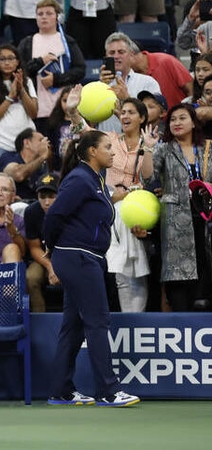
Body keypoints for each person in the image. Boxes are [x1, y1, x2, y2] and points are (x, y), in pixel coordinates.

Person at [43, 129, 140, 407]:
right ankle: (109, 391)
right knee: (98, 321)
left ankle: (60, 390)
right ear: (92, 152)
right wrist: (50, 243)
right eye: (108, 147)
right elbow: (56, 214)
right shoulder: (80, 179)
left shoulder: (94, 179)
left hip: (85, 257)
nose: (113, 151)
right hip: (78, 257)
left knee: (74, 326)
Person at [66, 85, 157, 312]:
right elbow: (84, 133)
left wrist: (148, 149)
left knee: (132, 272)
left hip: (135, 212)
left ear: (143, 118)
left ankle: (134, 320)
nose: (125, 116)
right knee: (111, 272)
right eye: (123, 112)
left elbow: (151, 179)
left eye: (131, 113)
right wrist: (73, 111)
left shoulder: (152, 142)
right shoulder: (109, 139)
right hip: (106, 209)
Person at [143, 104, 212, 311]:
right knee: (179, 281)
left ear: (193, 123)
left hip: (206, 220)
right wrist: (148, 148)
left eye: (182, 118)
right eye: (172, 119)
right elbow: (147, 178)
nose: (176, 123)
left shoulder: (208, 149)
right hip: (175, 223)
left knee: (205, 270)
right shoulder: (164, 149)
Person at [17, 0, 86, 134]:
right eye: (40, 14)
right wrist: (40, 62)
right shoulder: (27, 43)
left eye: (49, 13)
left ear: (57, 17)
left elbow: (80, 69)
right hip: (38, 109)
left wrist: (55, 80)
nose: (44, 17)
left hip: (64, 110)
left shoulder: (68, 41)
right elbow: (21, 70)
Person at [0, 44, 38, 172]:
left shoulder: (27, 82)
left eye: (11, 58)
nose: (7, 62)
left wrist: (21, 89)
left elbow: (33, 113)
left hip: (26, 143)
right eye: (2, 59)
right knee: (0, 182)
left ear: (18, 61)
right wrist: (10, 96)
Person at [97, 32, 161, 133]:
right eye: (112, 53)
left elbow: (154, 115)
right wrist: (100, 87)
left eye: (121, 52)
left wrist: (127, 99)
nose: (116, 56)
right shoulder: (98, 86)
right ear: (106, 56)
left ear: (131, 54)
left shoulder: (148, 82)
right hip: (106, 144)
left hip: (138, 142)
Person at [24, 173, 60, 312]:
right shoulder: (31, 212)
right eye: (42, 197)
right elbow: (34, 247)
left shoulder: (70, 210)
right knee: (31, 277)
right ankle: (39, 321)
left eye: (52, 197)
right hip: (43, 258)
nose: (46, 202)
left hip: (66, 256)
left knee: (74, 274)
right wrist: (50, 267)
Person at [0, 128, 51, 205]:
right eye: (41, 140)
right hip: (11, 206)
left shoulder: (42, 165)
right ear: (27, 143)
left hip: (33, 206)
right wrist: (42, 157)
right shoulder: (8, 157)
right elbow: (18, 175)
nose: (45, 143)